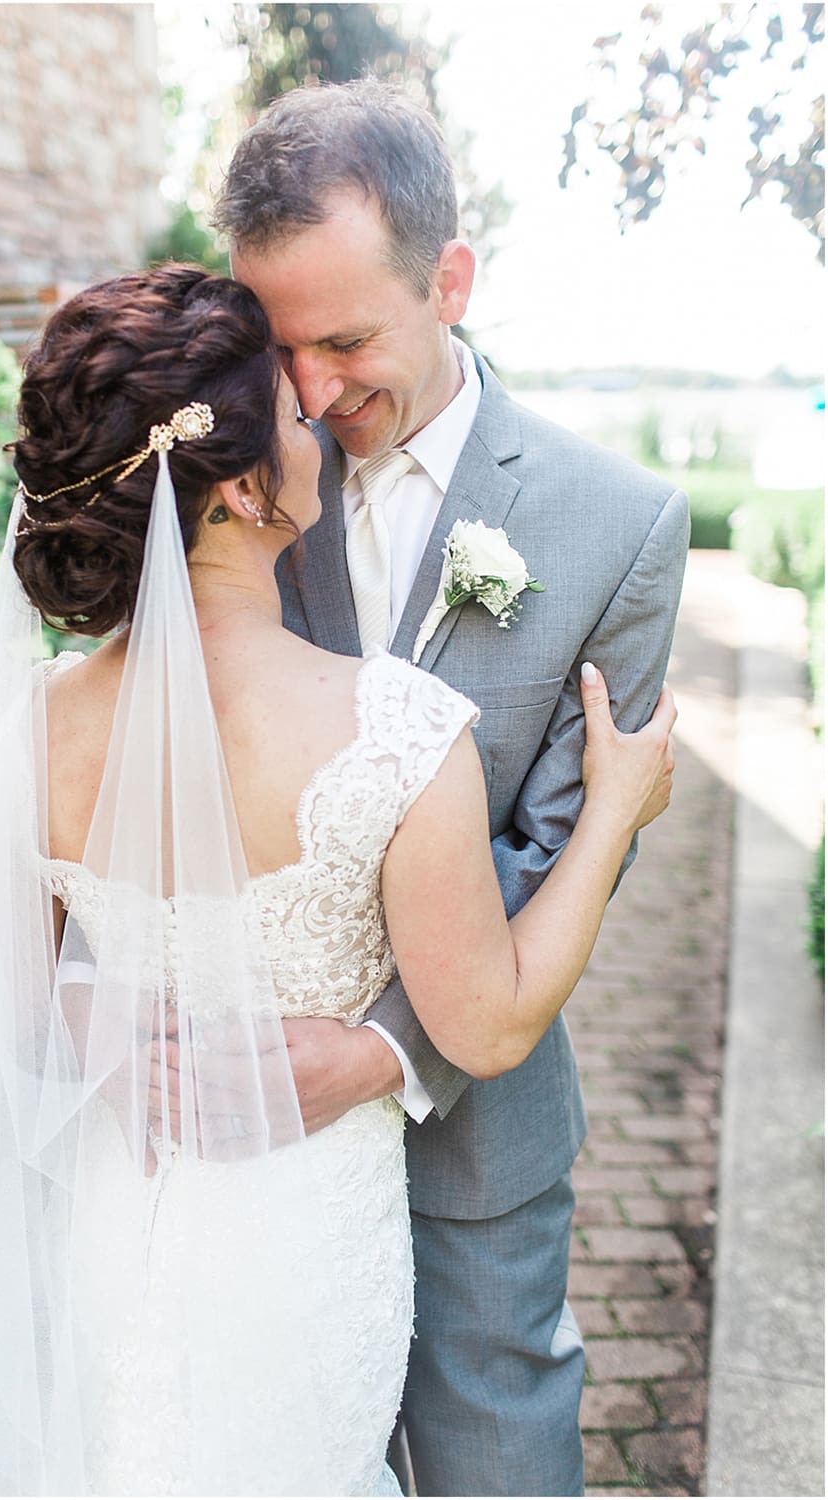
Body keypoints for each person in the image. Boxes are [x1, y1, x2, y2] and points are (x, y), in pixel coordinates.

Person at [0, 262, 678, 1494]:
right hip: (300, 1250)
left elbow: (20, 1004)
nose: (314, 411)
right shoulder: (397, 731)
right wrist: (612, 812)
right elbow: (491, 1017)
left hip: (117, 1226)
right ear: (245, 484)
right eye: (288, 412)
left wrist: (113, 1012)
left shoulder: (28, 730)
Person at [216, 80, 691, 1495]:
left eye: (348, 338)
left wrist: (374, 1051)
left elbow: (562, 850)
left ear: (452, 280)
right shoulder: (224, 484)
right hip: (249, 1151)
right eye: (276, 345)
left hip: (475, 1130)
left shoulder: (619, 527)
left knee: (495, 1457)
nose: (308, 392)